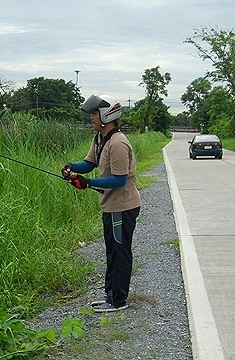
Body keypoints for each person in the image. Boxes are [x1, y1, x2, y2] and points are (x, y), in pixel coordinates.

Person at [61, 94, 141, 313]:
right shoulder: (100, 138)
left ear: (107, 114)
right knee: (111, 251)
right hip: (110, 206)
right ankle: (110, 294)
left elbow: (119, 178)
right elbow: (88, 163)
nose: (92, 118)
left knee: (120, 252)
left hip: (122, 207)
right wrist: (72, 167)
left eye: (94, 114)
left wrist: (87, 183)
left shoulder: (118, 143)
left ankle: (118, 300)